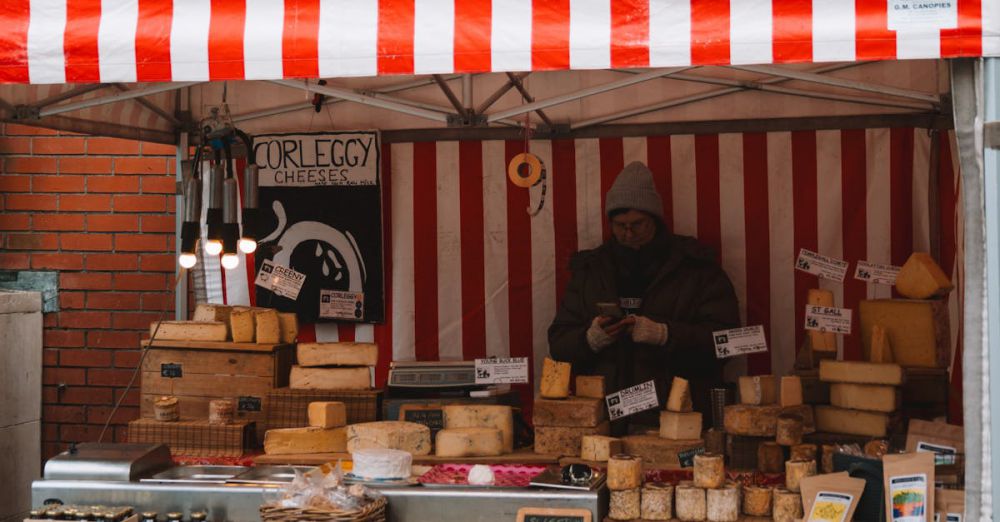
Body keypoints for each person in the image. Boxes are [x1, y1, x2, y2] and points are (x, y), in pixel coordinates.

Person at [548, 161, 740, 435]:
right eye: (620, 225)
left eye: (638, 224)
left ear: (656, 220)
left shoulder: (697, 268)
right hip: (606, 423)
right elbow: (558, 344)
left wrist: (665, 334)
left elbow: (729, 342)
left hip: (677, 422)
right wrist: (589, 339)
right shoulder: (590, 270)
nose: (628, 233)